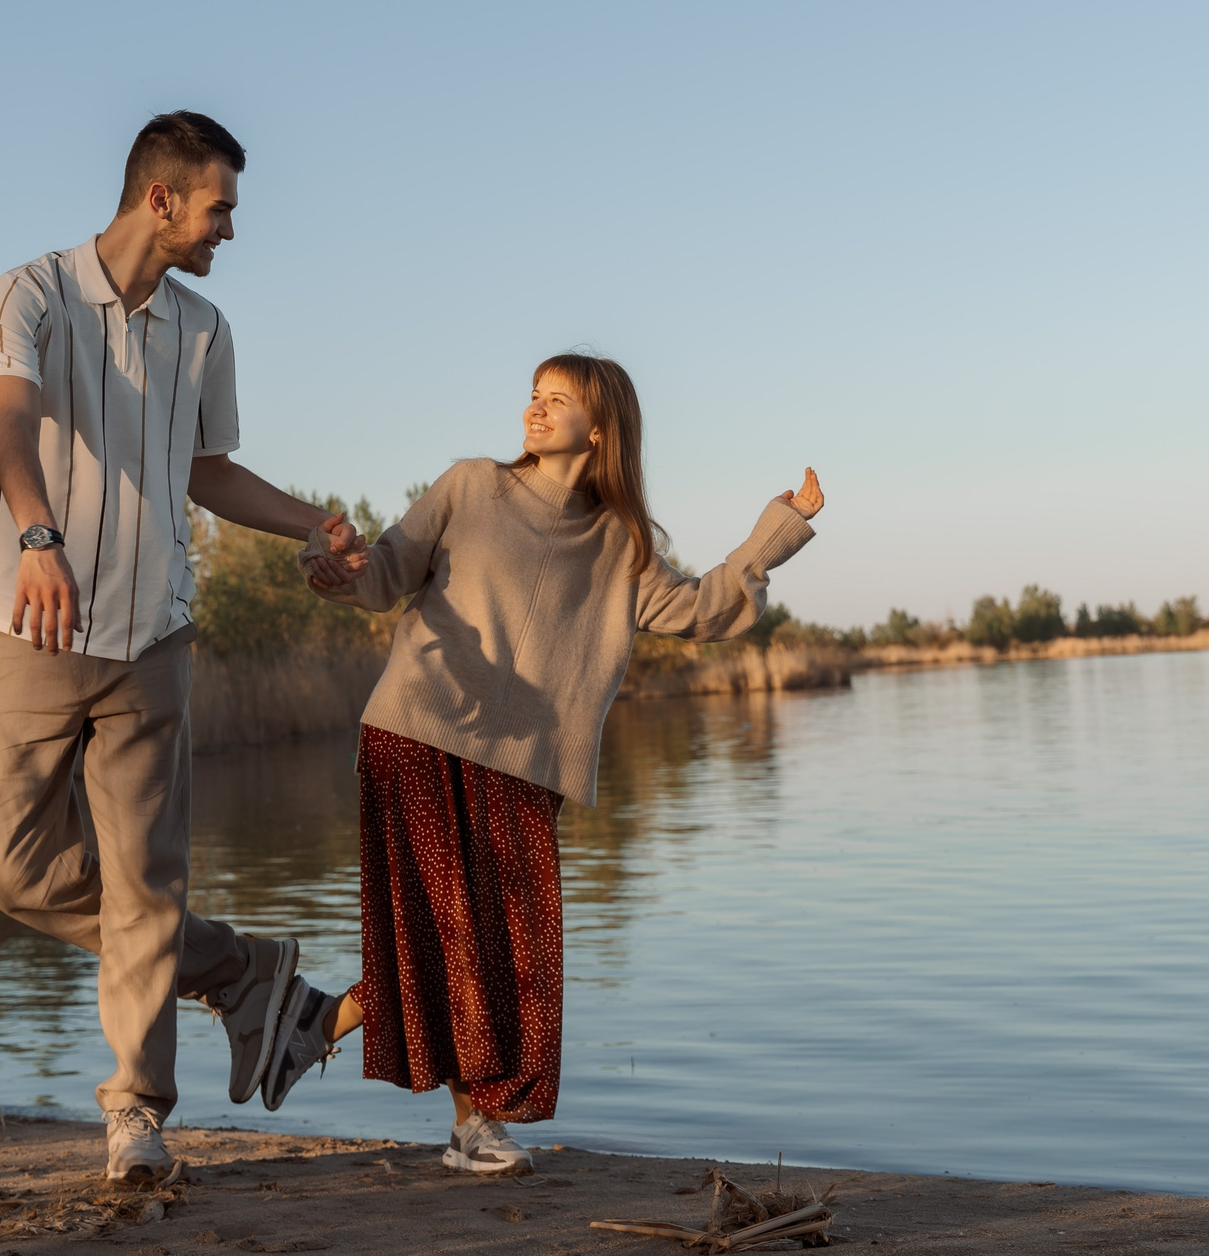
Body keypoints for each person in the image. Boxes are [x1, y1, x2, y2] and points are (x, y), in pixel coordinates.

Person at [260, 352, 824, 1174]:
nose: (535, 408)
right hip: (419, 731)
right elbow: (382, 573)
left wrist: (775, 531)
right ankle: (472, 1127)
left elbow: (701, 607)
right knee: (455, 938)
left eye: (556, 399)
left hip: (525, 763)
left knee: (513, 949)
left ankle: (316, 1024)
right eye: (533, 394)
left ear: (599, 428)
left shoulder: (618, 542)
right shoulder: (470, 486)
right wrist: (332, 567)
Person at [0, 111, 363, 1183]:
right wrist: (38, 537)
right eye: (219, 206)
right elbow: (9, 415)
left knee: (144, 885)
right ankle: (246, 977)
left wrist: (311, 521)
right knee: (17, 877)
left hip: (153, 643)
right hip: (27, 627)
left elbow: (207, 470)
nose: (230, 228)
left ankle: (136, 1113)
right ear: (162, 199)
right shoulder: (31, 292)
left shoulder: (203, 328)